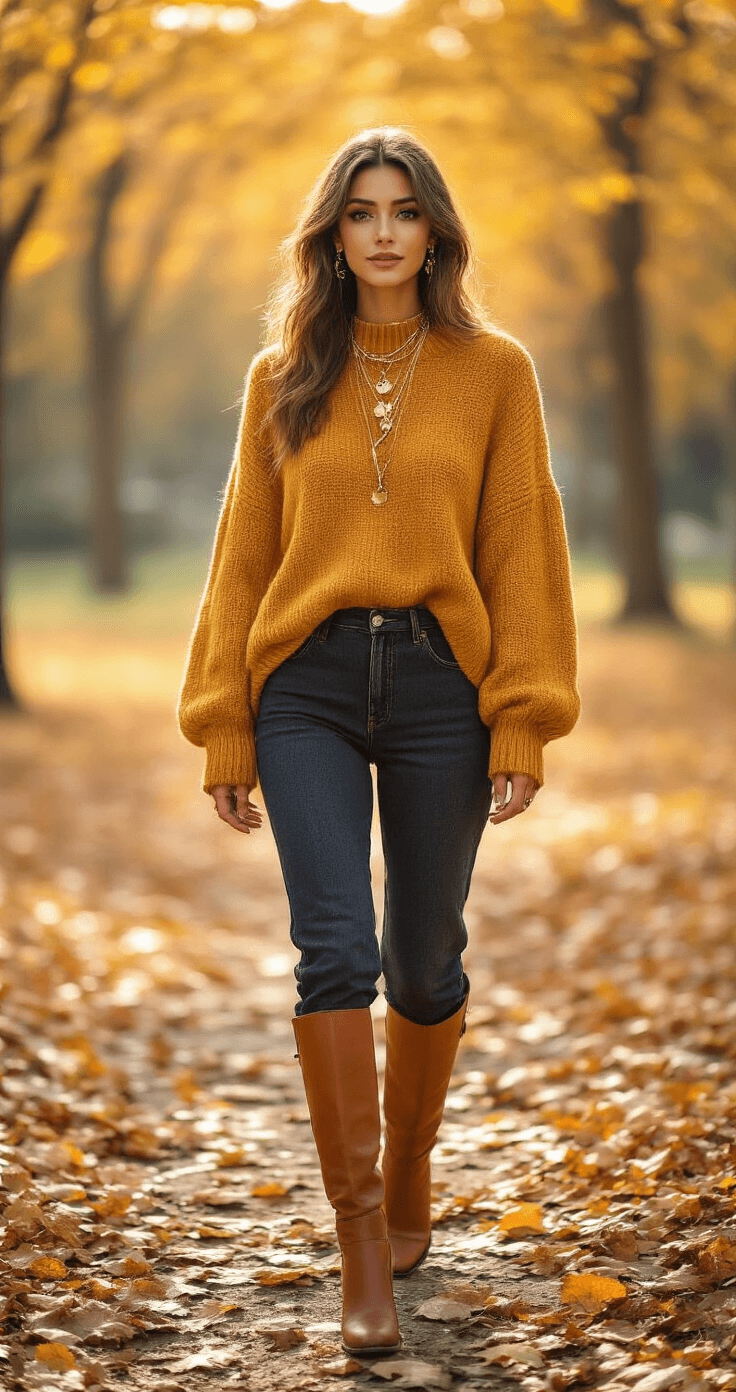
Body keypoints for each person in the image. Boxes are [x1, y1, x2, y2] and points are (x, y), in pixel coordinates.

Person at [177, 126, 581, 1358]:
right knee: (332, 948)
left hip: (435, 689)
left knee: (423, 961)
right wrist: (224, 726)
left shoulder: (496, 370)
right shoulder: (281, 372)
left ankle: (406, 1172)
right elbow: (244, 552)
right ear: (333, 235)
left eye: (405, 210)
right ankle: (363, 1246)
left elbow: (522, 546)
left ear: (435, 230)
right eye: (362, 212)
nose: (386, 231)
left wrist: (522, 710)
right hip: (301, 681)